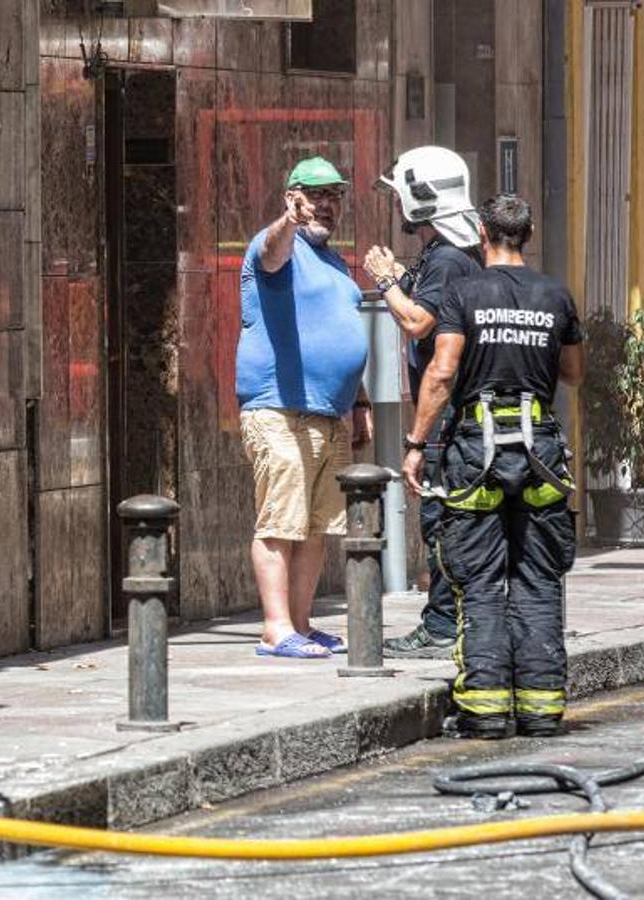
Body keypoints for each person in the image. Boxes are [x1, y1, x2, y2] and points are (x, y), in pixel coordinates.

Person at [402, 194, 583, 739]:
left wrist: (416, 442)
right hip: (540, 454)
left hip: (476, 450)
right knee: (538, 578)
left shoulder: (465, 292)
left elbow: (441, 372)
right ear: (527, 234)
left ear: (482, 232)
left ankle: (485, 710)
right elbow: (573, 372)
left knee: (479, 581)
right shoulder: (555, 295)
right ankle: (542, 708)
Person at [237, 156, 373, 660]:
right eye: (315, 195)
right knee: (280, 520)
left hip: (328, 414)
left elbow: (343, 334)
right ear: (291, 196)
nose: (326, 205)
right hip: (278, 409)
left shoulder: (336, 264)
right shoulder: (274, 247)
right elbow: (272, 252)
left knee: (317, 526)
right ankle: (275, 628)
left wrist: (357, 400)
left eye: (334, 196)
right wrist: (287, 223)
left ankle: (300, 622)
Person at [363, 147, 484, 658]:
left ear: (422, 198)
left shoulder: (451, 259)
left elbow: (418, 323)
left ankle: (440, 626)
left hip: (446, 418)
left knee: (440, 522)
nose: (395, 205)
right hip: (447, 416)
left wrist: (386, 281)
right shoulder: (449, 256)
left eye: (400, 195)